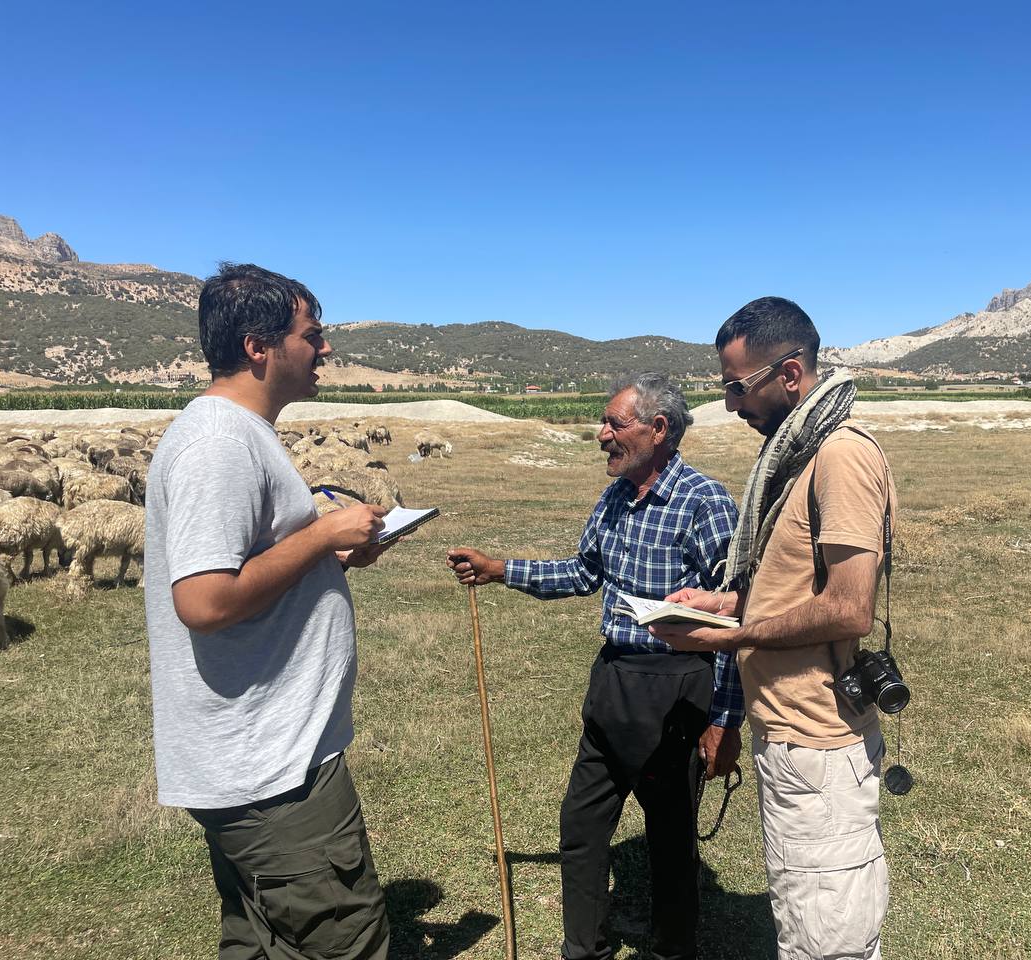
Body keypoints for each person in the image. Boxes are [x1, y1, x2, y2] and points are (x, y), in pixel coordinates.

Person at [145, 263, 395, 960]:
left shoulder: (239, 433)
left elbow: (246, 564)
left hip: (265, 755)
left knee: (260, 940)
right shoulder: (219, 443)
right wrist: (320, 534)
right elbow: (204, 600)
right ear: (259, 347)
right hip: (268, 769)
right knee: (343, 939)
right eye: (312, 335)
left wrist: (329, 556)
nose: (326, 348)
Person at [446, 372, 742, 960]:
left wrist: (724, 719)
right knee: (581, 829)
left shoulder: (705, 501)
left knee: (670, 840)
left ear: (658, 429)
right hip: (611, 682)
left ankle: (672, 950)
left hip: (676, 689)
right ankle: (584, 951)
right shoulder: (614, 497)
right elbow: (584, 572)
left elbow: (738, 614)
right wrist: (500, 569)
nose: (601, 433)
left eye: (614, 423)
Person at [650, 297, 896, 960]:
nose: (731, 404)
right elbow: (791, 584)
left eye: (738, 387)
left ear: (789, 374)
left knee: (825, 938)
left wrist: (735, 636)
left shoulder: (840, 457)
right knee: (808, 919)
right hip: (791, 733)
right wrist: (724, 602)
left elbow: (849, 607)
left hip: (817, 740)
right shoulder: (796, 457)